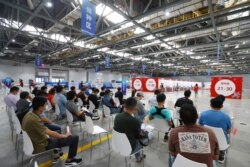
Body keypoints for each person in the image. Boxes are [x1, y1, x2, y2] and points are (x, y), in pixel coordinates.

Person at [22, 96, 82, 166]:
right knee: (74, 138)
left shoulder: (29, 114)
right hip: (42, 146)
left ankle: (56, 155)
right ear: (40, 107)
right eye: (45, 105)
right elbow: (49, 132)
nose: (45, 106)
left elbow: (45, 130)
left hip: (34, 143)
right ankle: (70, 160)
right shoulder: (34, 119)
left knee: (56, 135)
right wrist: (65, 135)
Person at [199, 98, 231, 163]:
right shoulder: (226, 117)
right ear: (222, 106)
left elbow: (200, 126)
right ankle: (221, 154)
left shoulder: (203, 114)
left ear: (210, 105)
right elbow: (228, 131)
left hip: (206, 139)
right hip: (221, 143)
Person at [114, 97, 146, 162]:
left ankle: (138, 157)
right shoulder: (135, 121)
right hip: (129, 148)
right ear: (135, 108)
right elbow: (139, 135)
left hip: (116, 144)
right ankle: (138, 157)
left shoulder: (117, 116)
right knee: (148, 137)